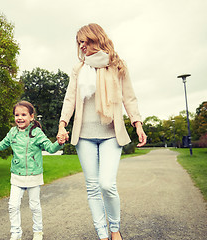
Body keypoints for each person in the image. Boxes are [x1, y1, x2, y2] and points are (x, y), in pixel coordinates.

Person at [57, 23, 147, 240]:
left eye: (85, 41)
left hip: (110, 134)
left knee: (107, 184)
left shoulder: (117, 65)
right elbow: (70, 98)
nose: (82, 46)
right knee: (92, 188)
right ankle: (102, 234)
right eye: (79, 43)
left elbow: (129, 97)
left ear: (96, 39)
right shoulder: (79, 69)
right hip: (84, 136)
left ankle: (115, 228)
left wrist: (137, 123)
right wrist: (62, 123)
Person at [0, 101, 63, 240]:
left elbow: (50, 148)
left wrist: (59, 143)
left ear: (31, 117)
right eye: (17, 115)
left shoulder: (37, 133)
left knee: (34, 206)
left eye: (23, 114)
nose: (19, 117)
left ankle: (38, 232)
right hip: (16, 175)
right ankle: (16, 233)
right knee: (13, 205)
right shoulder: (13, 132)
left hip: (33, 175)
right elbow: (1, 145)